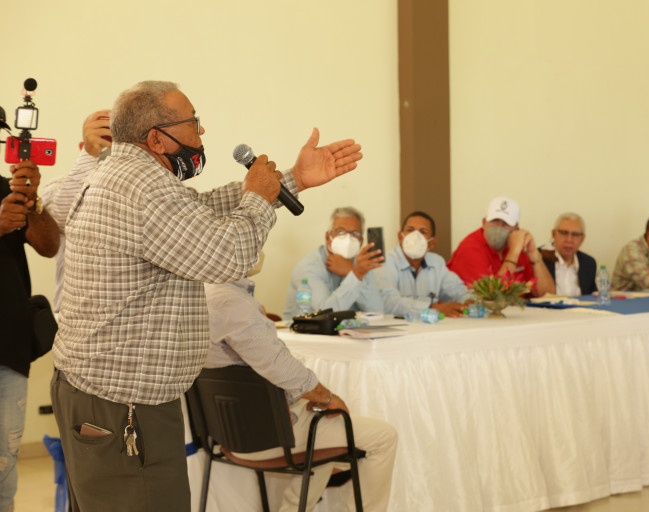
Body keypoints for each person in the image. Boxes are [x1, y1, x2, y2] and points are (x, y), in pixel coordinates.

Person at [50, 80, 362, 511]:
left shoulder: (128, 175)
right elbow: (227, 257)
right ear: (156, 138)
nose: (201, 134)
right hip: (122, 406)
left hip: (107, 398)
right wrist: (257, 199)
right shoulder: (141, 187)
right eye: (193, 123)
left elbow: (199, 211)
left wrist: (292, 180)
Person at [205, 251, 397, 512]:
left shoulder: (203, 295)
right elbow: (279, 366)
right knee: (383, 436)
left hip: (224, 433)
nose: (260, 250)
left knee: (324, 435)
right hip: (264, 436)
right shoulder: (231, 302)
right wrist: (327, 397)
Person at [0, 160, 59, 512]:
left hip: (9, 351)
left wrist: (34, 201)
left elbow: (49, 245)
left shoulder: (6, 189)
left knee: (4, 471)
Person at [40, 110, 112, 312]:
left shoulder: (141, 191)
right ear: (82, 148)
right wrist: (90, 154)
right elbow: (61, 221)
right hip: (73, 315)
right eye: (104, 145)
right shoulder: (57, 187)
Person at [283, 207, 383, 318]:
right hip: (302, 328)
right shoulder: (309, 267)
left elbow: (377, 311)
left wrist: (350, 272)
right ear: (328, 237)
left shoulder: (360, 264)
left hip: (345, 328)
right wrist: (355, 275)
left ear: (361, 241)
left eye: (355, 234)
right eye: (341, 231)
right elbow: (326, 313)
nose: (348, 238)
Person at [447, 197, 555, 297]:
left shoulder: (519, 245)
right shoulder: (470, 248)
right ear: (484, 223)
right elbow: (491, 298)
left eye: (506, 223)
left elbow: (548, 296)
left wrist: (533, 253)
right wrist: (513, 253)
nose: (499, 228)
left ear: (516, 229)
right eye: (494, 221)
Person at [375, 211, 469, 318]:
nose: (415, 236)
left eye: (423, 232)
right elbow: (387, 302)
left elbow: (457, 290)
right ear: (400, 237)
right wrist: (433, 308)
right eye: (410, 230)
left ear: (432, 242)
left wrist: (469, 301)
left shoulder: (437, 262)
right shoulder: (385, 261)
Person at [538, 213, 597, 296]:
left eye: (575, 234)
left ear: (582, 239)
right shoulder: (538, 258)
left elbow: (591, 298)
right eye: (564, 233)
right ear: (554, 234)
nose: (569, 240)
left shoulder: (588, 263)